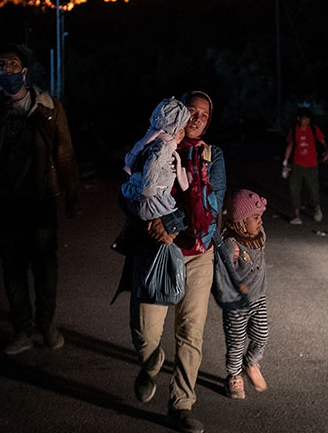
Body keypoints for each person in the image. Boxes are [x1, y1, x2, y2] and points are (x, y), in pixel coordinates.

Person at [120, 90, 225, 433]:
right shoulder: (153, 142)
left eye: (204, 115)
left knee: (190, 333)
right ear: (179, 112)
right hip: (155, 252)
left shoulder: (212, 156)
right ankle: (150, 364)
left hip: (198, 254)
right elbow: (127, 191)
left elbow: (213, 205)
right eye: (192, 111)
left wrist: (171, 223)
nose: (197, 119)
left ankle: (181, 404)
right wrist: (148, 217)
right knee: (145, 333)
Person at [0, 43, 79, 355]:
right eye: (1, 66)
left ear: (25, 71)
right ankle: (22, 330)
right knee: (13, 269)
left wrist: (72, 192)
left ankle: (46, 325)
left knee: (46, 269)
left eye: (12, 64)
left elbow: (65, 153)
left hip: (40, 202)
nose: (7, 70)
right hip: (7, 202)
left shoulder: (49, 107)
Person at [212, 189, 270, 400]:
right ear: (240, 222)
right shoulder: (231, 244)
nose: (260, 222)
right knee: (236, 343)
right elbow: (222, 273)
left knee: (262, 334)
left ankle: (251, 362)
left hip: (258, 297)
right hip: (237, 304)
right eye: (255, 218)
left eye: (260, 217)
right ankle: (234, 376)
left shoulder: (259, 236)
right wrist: (235, 288)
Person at [120, 97, 191, 236]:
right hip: (154, 198)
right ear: (172, 128)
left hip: (142, 198)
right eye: (181, 129)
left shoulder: (150, 140)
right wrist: (148, 191)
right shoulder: (164, 145)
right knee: (182, 216)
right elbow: (152, 166)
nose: (183, 133)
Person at [282, 106, 328, 225]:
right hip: (297, 164)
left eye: (308, 119)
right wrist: (285, 162)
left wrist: (326, 152)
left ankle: (317, 208)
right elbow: (290, 146)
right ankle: (296, 216)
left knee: (313, 188)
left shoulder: (314, 129)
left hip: (312, 164)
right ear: (299, 119)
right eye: (304, 119)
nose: (306, 121)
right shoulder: (294, 130)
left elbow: (323, 142)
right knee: (294, 188)